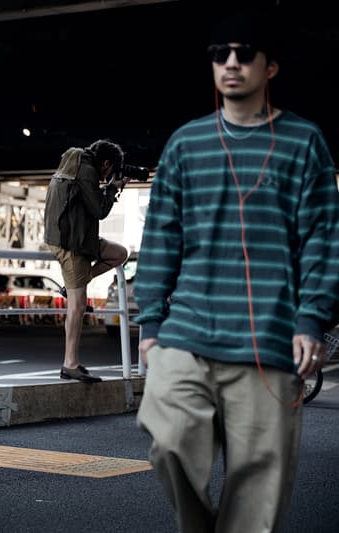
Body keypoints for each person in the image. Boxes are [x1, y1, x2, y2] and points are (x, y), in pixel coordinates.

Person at [133, 8, 339, 532]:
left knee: (256, 491)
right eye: (219, 55)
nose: (230, 63)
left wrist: (312, 318)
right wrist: (150, 323)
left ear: (270, 67)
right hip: (187, 335)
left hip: (268, 344)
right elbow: (161, 238)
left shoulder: (304, 142)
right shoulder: (186, 143)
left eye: (244, 54)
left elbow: (322, 236)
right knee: (170, 442)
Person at [43, 139, 131, 383]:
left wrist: (110, 187)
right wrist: (113, 189)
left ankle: (74, 284)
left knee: (119, 253)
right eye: (110, 171)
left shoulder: (75, 161)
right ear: (105, 164)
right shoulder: (87, 170)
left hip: (79, 236)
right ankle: (70, 364)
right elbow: (100, 210)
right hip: (71, 243)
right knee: (77, 305)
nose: (108, 176)